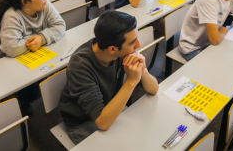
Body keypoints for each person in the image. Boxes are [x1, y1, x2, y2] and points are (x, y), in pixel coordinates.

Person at [59, 10, 159, 145]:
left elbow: (154, 89)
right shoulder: (80, 66)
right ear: (112, 49)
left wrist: (144, 71)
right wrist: (131, 81)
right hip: (82, 121)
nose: (138, 46)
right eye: (132, 43)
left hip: (108, 106)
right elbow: (102, 122)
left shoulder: (121, 52)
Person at [0, 0, 65, 115]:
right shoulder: (12, 16)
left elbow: (60, 24)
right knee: (30, 89)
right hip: (10, 62)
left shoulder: (44, 5)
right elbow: (12, 48)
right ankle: (22, 101)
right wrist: (36, 39)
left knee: (58, 68)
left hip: (33, 53)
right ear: (25, 1)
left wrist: (41, 38)